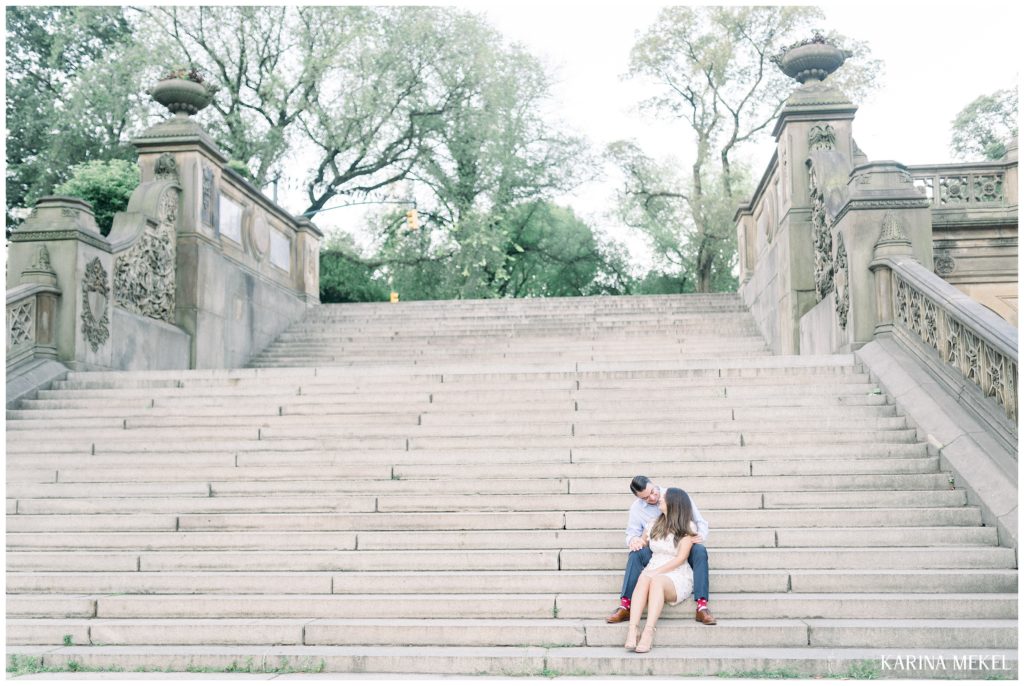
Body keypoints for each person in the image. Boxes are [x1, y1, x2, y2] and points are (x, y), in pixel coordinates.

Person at [605, 475, 717, 626]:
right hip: (657, 548)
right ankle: (625, 605)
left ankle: (702, 606)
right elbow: (631, 534)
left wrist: (700, 535)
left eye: (652, 492)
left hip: (681, 545)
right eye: (645, 498)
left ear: (653, 484)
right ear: (639, 498)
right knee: (635, 554)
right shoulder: (637, 509)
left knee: (700, 551)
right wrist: (634, 540)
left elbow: (699, 521)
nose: (652, 498)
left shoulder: (674, 496)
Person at [624, 486, 699, 652]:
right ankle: (633, 629)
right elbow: (643, 541)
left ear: (674, 503)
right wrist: (635, 541)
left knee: (654, 579)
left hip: (676, 574)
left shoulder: (688, 527)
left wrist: (655, 572)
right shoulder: (653, 524)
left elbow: (681, 558)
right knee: (644, 577)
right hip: (654, 566)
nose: (659, 499)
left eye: (663, 498)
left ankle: (648, 632)